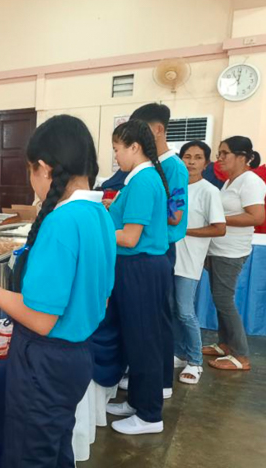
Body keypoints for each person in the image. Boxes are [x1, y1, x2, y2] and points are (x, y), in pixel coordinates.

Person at [0, 115, 116, 468]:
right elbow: (101, 296)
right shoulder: (101, 214)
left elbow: (39, 319)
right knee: (55, 460)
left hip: (44, 363)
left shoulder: (61, 221)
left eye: (31, 171)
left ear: (44, 167)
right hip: (75, 358)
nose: (32, 180)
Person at [100, 120, 170, 435]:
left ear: (134, 147)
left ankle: (150, 415)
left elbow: (129, 237)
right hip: (135, 266)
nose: (116, 156)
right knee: (134, 337)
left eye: (117, 149)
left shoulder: (143, 181)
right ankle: (137, 402)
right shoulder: (138, 178)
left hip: (140, 266)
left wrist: (95, 229)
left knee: (145, 340)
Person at [130, 103, 188, 398]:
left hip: (160, 249)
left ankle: (162, 381)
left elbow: (175, 215)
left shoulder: (173, 167)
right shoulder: (151, 166)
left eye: (141, 132)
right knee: (146, 320)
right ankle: (148, 378)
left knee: (157, 319)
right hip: (146, 248)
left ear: (157, 129)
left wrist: (139, 210)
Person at [203, 136, 266, 371]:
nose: (219, 159)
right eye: (219, 153)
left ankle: (241, 355)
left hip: (231, 252)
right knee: (219, 299)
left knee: (224, 300)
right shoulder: (231, 181)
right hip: (219, 248)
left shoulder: (250, 181)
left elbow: (257, 217)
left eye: (224, 153)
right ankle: (225, 344)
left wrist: (219, 219)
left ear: (242, 157)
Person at [173, 141, 226, 384]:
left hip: (190, 260)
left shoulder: (209, 191)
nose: (191, 162)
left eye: (197, 157)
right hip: (169, 259)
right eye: (187, 156)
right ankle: (180, 353)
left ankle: (195, 362)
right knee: (173, 311)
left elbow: (219, 228)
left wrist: (185, 231)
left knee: (185, 312)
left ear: (206, 163)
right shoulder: (175, 187)